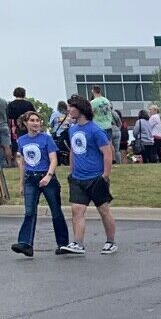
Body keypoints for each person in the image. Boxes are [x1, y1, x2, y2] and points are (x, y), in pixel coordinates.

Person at [62, 94, 116, 255]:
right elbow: (73, 151)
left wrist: (105, 175)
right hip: (78, 178)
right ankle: (78, 243)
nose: (69, 109)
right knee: (77, 210)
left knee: (104, 210)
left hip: (96, 177)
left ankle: (110, 242)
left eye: (72, 106)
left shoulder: (95, 130)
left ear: (81, 109)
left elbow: (107, 153)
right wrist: (71, 171)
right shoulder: (72, 129)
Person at [11, 110, 70, 257]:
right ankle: (26, 243)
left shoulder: (46, 139)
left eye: (37, 120)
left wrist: (49, 176)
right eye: (32, 120)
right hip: (30, 178)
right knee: (29, 211)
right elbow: (23, 163)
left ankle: (63, 243)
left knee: (56, 211)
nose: (35, 123)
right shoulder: (22, 140)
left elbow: (54, 160)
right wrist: (22, 183)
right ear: (25, 123)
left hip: (46, 176)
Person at [88, 85, 117, 164]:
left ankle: (102, 159)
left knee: (100, 144)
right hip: (108, 124)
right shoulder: (106, 100)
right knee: (110, 143)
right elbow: (110, 109)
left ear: (93, 91)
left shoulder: (93, 102)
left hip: (99, 126)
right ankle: (113, 159)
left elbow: (90, 113)